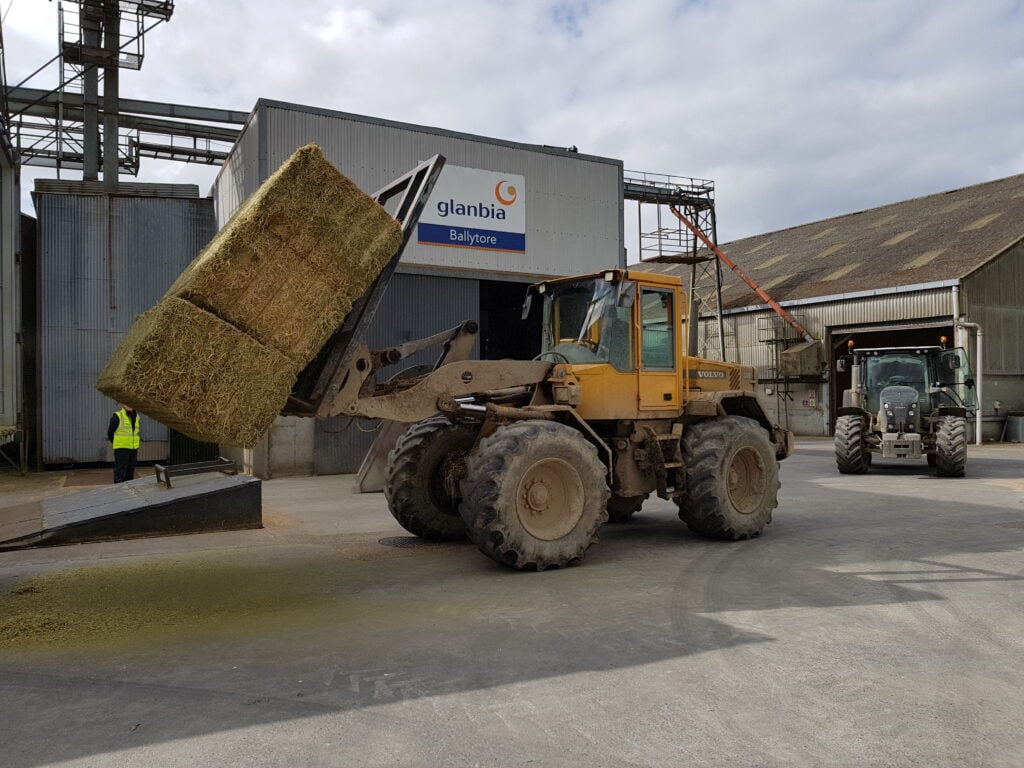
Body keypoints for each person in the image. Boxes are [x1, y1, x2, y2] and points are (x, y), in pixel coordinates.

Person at [108, 403, 141, 483]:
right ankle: (119, 490)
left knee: (130, 473)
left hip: (133, 450)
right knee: (120, 474)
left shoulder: (137, 417)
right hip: (121, 450)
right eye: (126, 403)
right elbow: (110, 432)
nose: (129, 405)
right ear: (123, 404)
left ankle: (128, 490)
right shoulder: (117, 416)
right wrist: (117, 443)